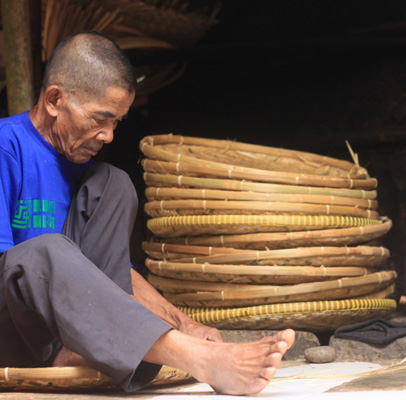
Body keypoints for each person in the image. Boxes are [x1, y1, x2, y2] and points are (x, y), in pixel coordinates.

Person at [0, 31, 294, 394]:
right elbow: (22, 268)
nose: (108, 135)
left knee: (114, 182)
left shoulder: (86, 167)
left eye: (117, 122)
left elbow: (109, 279)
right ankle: (196, 358)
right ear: (55, 99)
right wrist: (190, 345)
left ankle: (88, 347)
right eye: (99, 119)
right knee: (46, 250)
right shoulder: (6, 147)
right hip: (10, 329)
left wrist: (185, 322)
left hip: (71, 328)